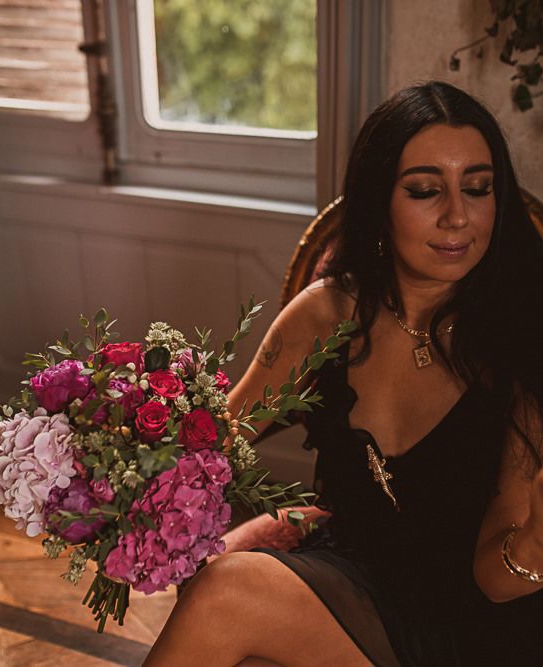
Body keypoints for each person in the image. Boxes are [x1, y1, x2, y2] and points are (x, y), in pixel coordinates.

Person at [143, 81, 543, 666]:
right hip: (350, 578)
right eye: (426, 191)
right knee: (233, 606)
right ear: (379, 199)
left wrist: (536, 544)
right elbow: (213, 450)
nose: (457, 215)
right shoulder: (326, 315)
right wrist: (107, 455)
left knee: (226, 594)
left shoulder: (523, 342)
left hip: (464, 622)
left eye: (478, 189)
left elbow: (494, 580)